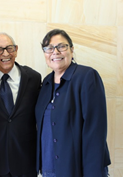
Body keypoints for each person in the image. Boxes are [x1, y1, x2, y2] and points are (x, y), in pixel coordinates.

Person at [35, 29, 111, 177]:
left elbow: (95, 130)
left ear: (72, 49)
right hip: (49, 168)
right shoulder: (46, 83)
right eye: (49, 48)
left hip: (78, 169)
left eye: (61, 46)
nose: (55, 52)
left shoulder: (87, 77)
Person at [0, 32, 41, 177]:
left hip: (25, 163)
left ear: (16, 50)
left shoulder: (34, 78)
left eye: (10, 48)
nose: (5, 53)